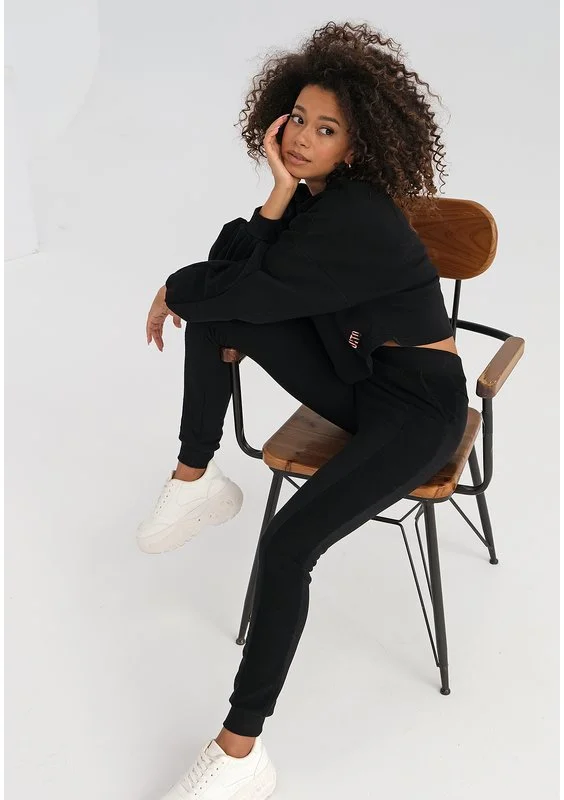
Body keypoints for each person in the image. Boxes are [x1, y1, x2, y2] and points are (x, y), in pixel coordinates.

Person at [139, 21, 469, 800]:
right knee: (220, 310)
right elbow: (234, 269)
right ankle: (195, 479)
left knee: (288, 547)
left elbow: (243, 286)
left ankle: (240, 751)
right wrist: (278, 193)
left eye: (326, 129)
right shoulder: (314, 202)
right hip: (359, 379)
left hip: (418, 410)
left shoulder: (357, 216)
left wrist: (172, 288)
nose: (301, 138)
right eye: (298, 120)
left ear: (354, 148)